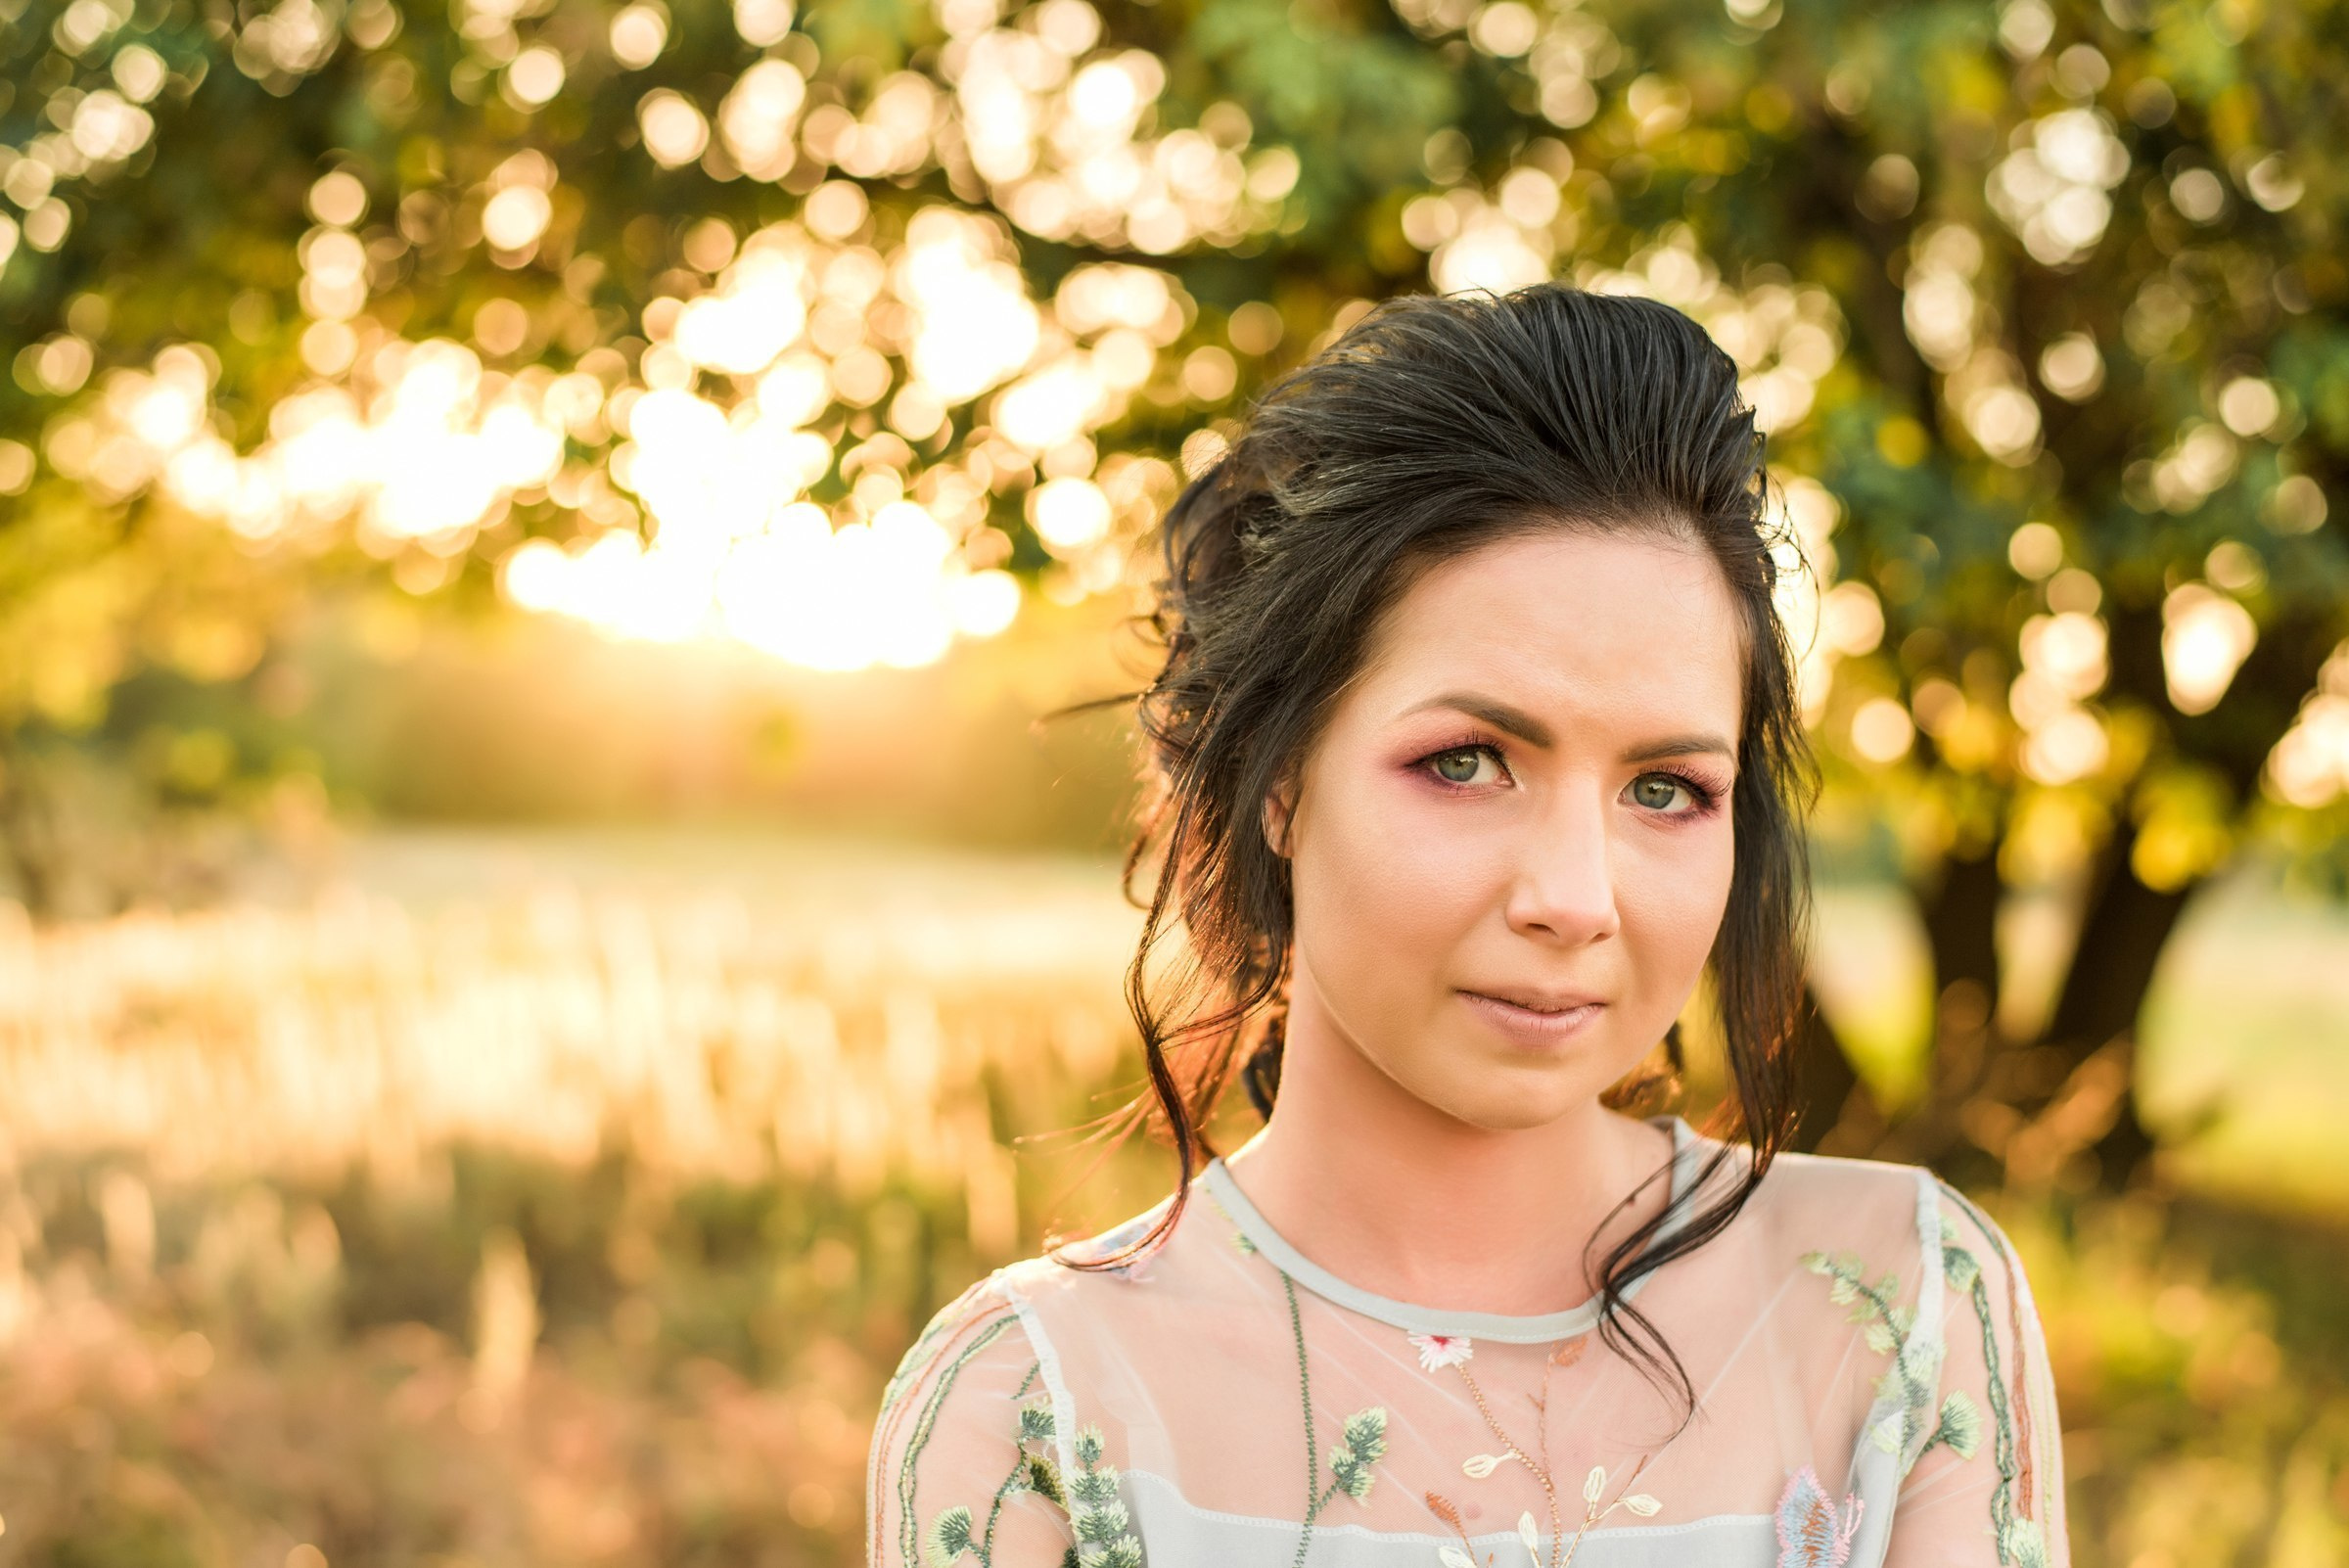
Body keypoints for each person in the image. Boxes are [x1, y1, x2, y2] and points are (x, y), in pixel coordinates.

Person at [864, 282, 2067, 1567]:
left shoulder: (1904, 1305)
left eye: (1666, 790)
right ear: (1279, 780)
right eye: (1467, 760)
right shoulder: (1029, 1408)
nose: (1577, 897)